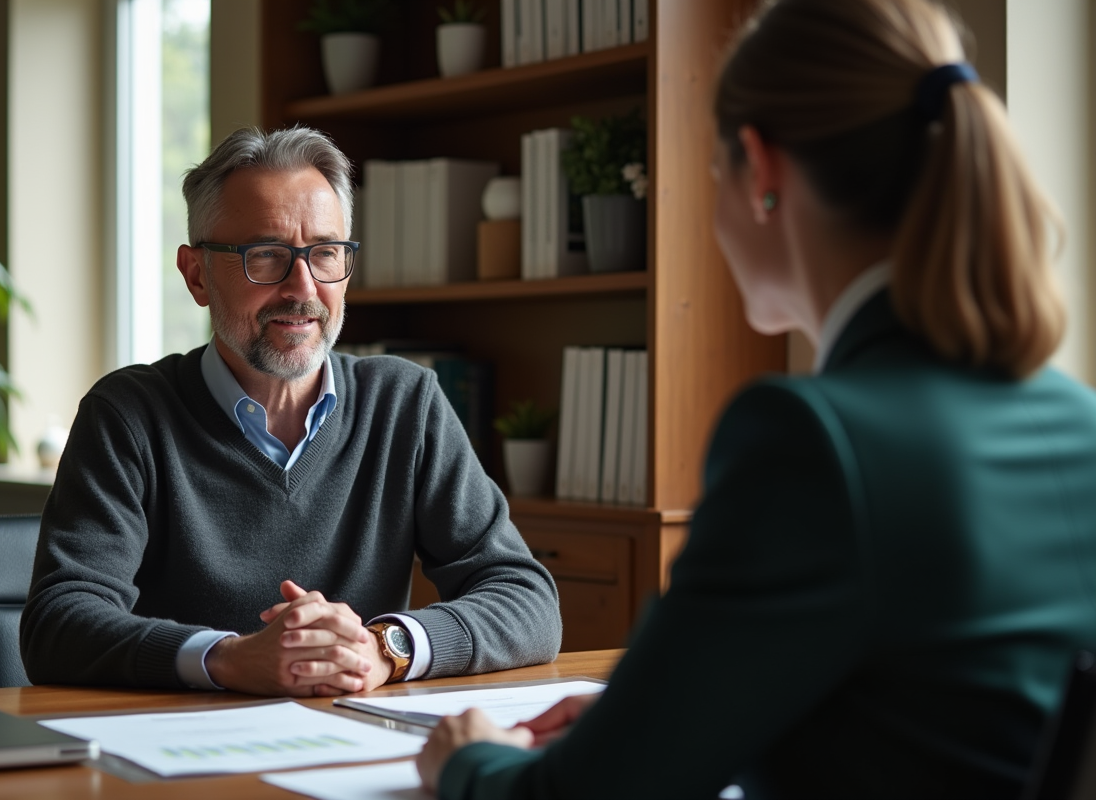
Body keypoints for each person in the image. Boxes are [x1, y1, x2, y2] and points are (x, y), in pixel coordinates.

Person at [416, 0, 1096, 796]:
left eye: (713, 173)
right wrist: (666, 725)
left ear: (761, 168)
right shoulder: (1077, 421)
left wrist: (465, 757)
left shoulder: (811, 441)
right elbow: (934, 722)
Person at [20, 126, 562, 697]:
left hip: (357, 752)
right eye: (267, 256)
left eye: (325, 253)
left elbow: (526, 598)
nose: (302, 288)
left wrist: (385, 649)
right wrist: (226, 659)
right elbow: (58, 624)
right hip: (183, 759)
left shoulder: (406, 404)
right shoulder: (127, 415)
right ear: (196, 274)